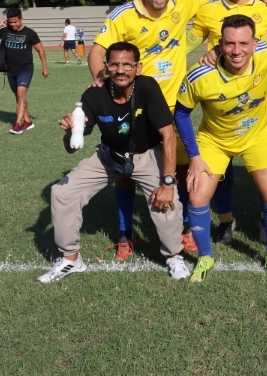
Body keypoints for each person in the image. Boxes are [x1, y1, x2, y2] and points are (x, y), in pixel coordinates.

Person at [90, 0, 267, 259]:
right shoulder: (124, 14)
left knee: (184, 169)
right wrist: (102, 85)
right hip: (135, 105)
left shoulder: (185, 3)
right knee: (125, 172)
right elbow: (98, 51)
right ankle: (125, 235)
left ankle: (187, 229)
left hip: (173, 104)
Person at [38, 42, 189, 283]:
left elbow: (168, 135)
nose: (121, 70)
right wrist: (69, 131)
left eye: (127, 65)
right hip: (109, 156)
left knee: (166, 200)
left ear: (138, 67)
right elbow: (71, 148)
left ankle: (173, 255)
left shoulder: (147, 86)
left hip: (146, 155)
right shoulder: (93, 94)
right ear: (106, 66)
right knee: (62, 192)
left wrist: (168, 183)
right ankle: (71, 258)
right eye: (115, 64)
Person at [174, 15, 267, 282]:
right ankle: (205, 257)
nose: (236, 50)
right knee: (197, 198)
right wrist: (194, 157)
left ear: (255, 44)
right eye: (229, 44)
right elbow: (181, 113)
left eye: (243, 43)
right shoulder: (200, 74)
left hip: (256, 136)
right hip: (214, 140)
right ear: (219, 44)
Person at [191, 0, 267, 244]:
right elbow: (184, 44)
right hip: (220, 106)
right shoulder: (207, 11)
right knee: (220, 171)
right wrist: (209, 53)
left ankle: (266, 218)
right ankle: (226, 220)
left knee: (265, 170)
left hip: (257, 104)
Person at [2, 7, 49, 134]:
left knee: (21, 93)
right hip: (10, 70)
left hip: (25, 69)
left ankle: (18, 124)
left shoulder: (30, 33)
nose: (13, 24)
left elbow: (40, 50)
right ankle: (27, 121)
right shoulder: (5, 31)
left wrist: (45, 67)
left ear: (21, 19)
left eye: (15, 21)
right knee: (19, 96)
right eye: (10, 22)